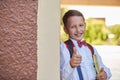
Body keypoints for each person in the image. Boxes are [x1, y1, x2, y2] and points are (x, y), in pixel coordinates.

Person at [60, 10, 112, 80]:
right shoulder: (63, 48)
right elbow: (61, 76)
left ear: (85, 26)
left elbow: (103, 67)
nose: (78, 30)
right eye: (73, 27)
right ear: (65, 29)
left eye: (80, 25)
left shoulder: (91, 49)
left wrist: (105, 74)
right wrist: (70, 65)